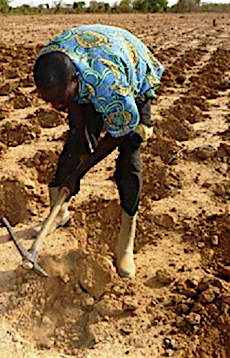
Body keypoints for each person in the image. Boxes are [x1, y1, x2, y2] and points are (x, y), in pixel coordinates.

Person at [32, 24, 164, 278]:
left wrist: (80, 172)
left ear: (75, 79)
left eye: (59, 98)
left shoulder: (110, 86)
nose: (55, 105)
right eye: (48, 101)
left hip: (134, 76)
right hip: (89, 68)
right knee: (74, 146)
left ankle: (126, 244)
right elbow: (73, 102)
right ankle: (58, 214)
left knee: (128, 163)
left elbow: (120, 133)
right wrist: (82, 134)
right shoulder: (50, 61)